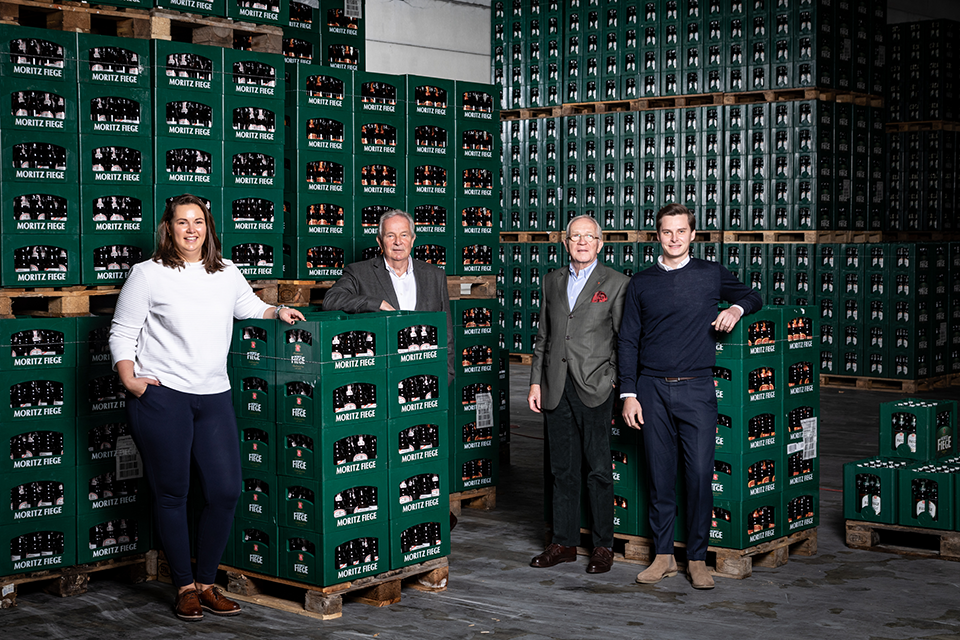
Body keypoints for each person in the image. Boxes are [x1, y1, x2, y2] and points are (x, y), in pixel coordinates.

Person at [109, 194, 305, 621]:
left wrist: (277, 311)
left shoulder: (226, 271)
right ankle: (184, 586)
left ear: (209, 228)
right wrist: (130, 379)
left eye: (198, 222)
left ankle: (207, 581)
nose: (191, 229)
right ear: (168, 228)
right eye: (182, 222)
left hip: (213, 394)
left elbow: (247, 306)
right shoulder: (148, 274)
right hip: (163, 397)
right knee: (173, 493)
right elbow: (122, 331)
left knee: (224, 490)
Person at [618, 203, 762, 589]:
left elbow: (754, 296)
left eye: (682, 231)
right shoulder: (642, 283)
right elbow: (628, 340)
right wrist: (629, 394)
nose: (675, 238)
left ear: (693, 235)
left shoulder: (711, 274)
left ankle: (696, 558)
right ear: (657, 237)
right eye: (667, 232)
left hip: (697, 387)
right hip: (650, 389)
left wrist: (734, 306)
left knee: (698, 475)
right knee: (660, 476)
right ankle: (663, 556)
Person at [527, 215, 629, 574]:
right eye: (575, 237)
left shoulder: (616, 283)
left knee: (598, 470)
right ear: (565, 243)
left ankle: (603, 545)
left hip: (595, 386)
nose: (582, 242)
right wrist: (536, 382)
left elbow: (624, 339)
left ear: (600, 244)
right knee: (561, 470)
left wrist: (613, 379)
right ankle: (563, 542)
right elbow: (544, 336)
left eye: (589, 237)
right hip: (556, 386)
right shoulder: (551, 281)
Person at [322, 209, 454, 383]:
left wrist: (447, 375)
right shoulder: (359, 272)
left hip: (426, 377)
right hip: (382, 378)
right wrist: (376, 304)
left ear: (413, 239)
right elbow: (331, 299)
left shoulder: (434, 275)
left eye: (404, 235)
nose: (398, 242)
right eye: (390, 236)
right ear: (379, 241)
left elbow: (446, 332)